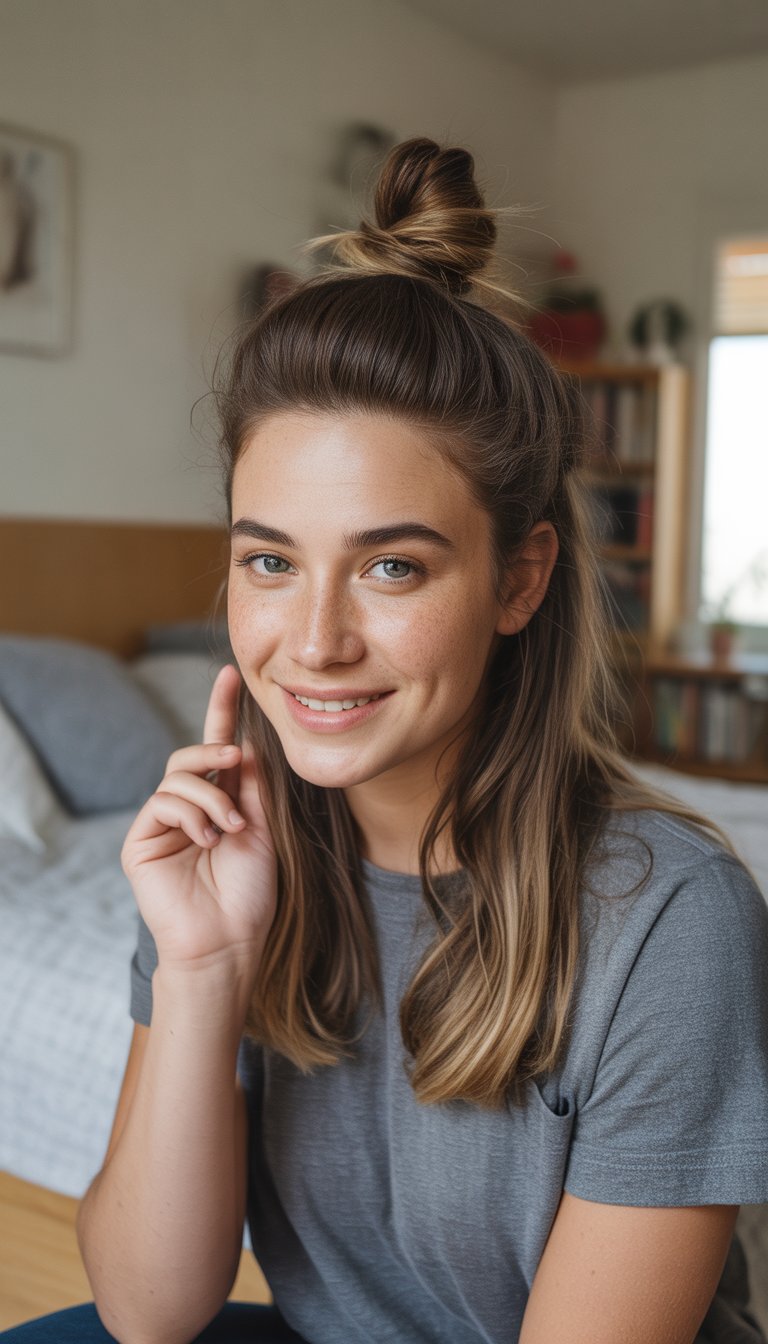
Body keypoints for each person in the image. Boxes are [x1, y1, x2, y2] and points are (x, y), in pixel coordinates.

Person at [5, 137, 767, 1344]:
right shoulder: (234, 856)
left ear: (519, 581)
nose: (312, 643)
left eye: (392, 567)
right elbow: (149, 1312)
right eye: (269, 560)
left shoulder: (670, 918)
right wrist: (202, 969)